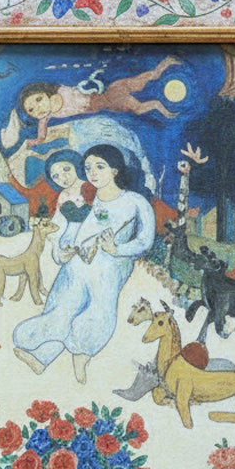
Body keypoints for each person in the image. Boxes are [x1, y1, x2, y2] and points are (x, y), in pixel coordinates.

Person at [13, 145, 155, 384]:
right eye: (88, 167)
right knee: (63, 307)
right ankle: (41, 357)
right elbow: (64, 233)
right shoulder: (83, 198)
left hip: (109, 267)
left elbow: (144, 241)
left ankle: (82, 356)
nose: (93, 173)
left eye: (100, 166)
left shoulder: (135, 201)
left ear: (115, 170)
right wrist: (62, 252)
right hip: (77, 265)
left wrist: (117, 249)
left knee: (98, 310)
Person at [16, 56, 181, 146]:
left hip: (111, 96)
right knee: (138, 99)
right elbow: (41, 136)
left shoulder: (61, 89)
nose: (38, 108)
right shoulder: (46, 117)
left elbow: (81, 83)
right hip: (110, 102)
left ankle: (162, 76)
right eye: (31, 110)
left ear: (46, 93)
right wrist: (33, 142)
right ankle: (159, 96)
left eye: (38, 99)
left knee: (141, 96)